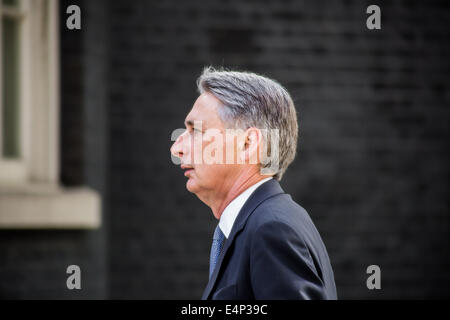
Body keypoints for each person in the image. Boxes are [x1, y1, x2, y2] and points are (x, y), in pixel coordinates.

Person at [170, 67, 337, 299]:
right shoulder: (264, 223)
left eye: (196, 131)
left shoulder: (271, 229)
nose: (176, 148)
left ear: (248, 144)